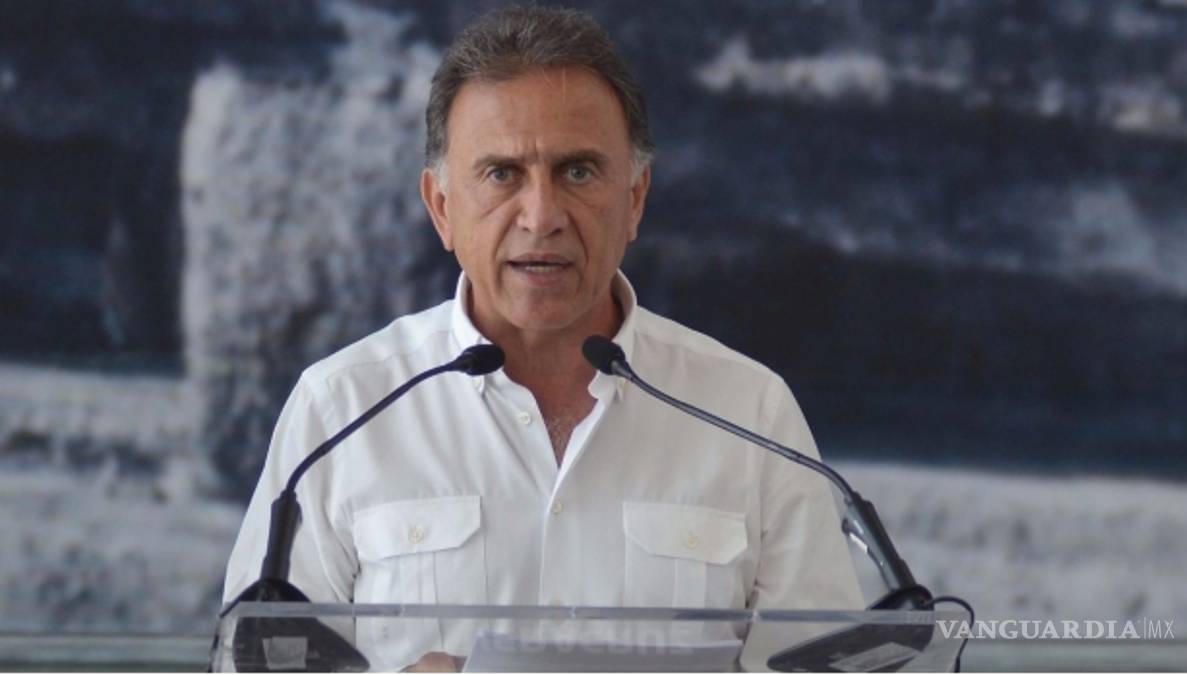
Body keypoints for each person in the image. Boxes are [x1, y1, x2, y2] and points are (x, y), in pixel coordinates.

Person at [223, 5, 863, 670]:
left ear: (635, 199)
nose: (542, 215)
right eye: (502, 174)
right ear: (442, 208)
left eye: (578, 172)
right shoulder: (342, 408)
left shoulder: (750, 412)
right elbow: (247, 665)